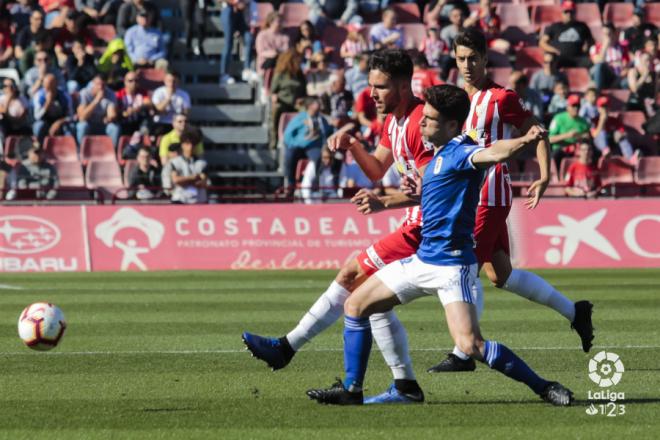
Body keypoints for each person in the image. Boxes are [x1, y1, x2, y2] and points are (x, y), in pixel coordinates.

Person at [305, 84, 573, 407]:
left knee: (471, 345)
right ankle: (353, 390)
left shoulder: (464, 152)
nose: (421, 124)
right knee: (355, 306)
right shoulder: (438, 156)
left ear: (450, 126)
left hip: (451, 267)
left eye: (430, 120)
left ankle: (545, 387)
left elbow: (495, 152)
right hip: (422, 260)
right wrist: (391, 198)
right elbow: (435, 194)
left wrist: (526, 141)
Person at [243, 50, 434, 402]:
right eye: (372, 85)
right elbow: (377, 169)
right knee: (371, 298)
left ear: (404, 86)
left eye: (381, 87)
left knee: (350, 275)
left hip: (427, 230)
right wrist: (352, 145)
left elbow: (437, 187)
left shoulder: (422, 121)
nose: (372, 93)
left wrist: (384, 203)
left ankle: (287, 348)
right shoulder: (394, 121)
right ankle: (405, 385)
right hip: (416, 225)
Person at [427, 29, 593, 374]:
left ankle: (462, 353)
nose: (468, 65)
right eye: (461, 58)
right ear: (454, 60)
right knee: (499, 274)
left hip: (489, 195)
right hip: (466, 196)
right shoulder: (455, 99)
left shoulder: (501, 98)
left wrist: (545, 174)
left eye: (474, 58)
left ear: (486, 59)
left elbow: (537, 130)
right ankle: (575, 312)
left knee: (464, 265)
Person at [282, 97, 333, 189]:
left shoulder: (322, 119)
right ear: (310, 106)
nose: (320, 106)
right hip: (297, 146)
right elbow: (288, 134)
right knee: (290, 155)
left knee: (319, 157)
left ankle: (317, 183)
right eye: (317, 104)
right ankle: (290, 183)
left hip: (313, 146)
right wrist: (293, 144)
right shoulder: (300, 118)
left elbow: (327, 133)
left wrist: (325, 146)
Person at [268, 49, 306, 149]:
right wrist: (274, 97)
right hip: (283, 102)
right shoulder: (280, 75)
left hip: (297, 104)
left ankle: (302, 138)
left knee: (307, 113)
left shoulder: (300, 75)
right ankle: (274, 139)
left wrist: (302, 99)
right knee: (276, 109)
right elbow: (273, 91)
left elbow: (304, 91)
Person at [539, 1, 593, 68]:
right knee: (550, 61)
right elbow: (542, 43)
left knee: (590, 63)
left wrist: (587, 45)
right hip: (560, 58)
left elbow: (591, 41)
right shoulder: (554, 26)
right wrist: (554, 50)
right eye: (566, 12)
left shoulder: (582, 26)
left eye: (571, 12)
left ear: (575, 12)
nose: (569, 14)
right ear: (562, 13)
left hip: (578, 58)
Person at [76, 74, 120, 148]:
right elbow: (82, 118)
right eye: (98, 84)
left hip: (102, 125)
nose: (100, 87)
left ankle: (112, 152)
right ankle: (81, 151)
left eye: (103, 85)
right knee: (82, 126)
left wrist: (109, 118)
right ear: (93, 83)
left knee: (114, 127)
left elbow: (111, 114)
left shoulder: (110, 94)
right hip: (89, 124)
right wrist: (96, 100)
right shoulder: (84, 93)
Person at [548, 94, 591, 170]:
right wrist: (567, 135)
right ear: (567, 107)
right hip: (561, 150)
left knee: (589, 152)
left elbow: (587, 138)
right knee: (556, 155)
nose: (576, 108)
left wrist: (583, 137)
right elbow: (549, 139)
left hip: (577, 150)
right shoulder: (558, 118)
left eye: (578, 106)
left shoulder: (584, 122)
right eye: (573, 106)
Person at [219, 0, 256, 84]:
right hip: (229, 10)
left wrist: (244, 3)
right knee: (229, 43)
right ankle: (224, 74)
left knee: (249, 39)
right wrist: (235, 2)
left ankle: (247, 69)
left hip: (242, 12)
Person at [32, 73, 74, 142]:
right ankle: (38, 147)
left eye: (52, 86)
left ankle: (69, 149)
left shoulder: (64, 95)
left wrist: (59, 122)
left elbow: (71, 116)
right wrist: (47, 104)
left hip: (61, 122)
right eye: (47, 87)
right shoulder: (39, 96)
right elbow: (37, 117)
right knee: (38, 126)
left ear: (56, 84)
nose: (49, 90)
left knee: (70, 128)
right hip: (45, 122)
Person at [589, 24, 629, 91]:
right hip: (605, 76)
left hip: (619, 76)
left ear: (614, 34)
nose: (607, 36)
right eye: (604, 34)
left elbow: (627, 64)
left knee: (627, 82)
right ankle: (598, 93)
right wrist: (605, 46)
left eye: (609, 34)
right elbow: (598, 62)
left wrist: (620, 77)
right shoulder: (595, 48)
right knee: (599, 66)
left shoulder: (622, 47)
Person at [169, 134, 208, 204]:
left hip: (198, 200)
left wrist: (184, 181)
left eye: (192, 143)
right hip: (180, 199)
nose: (191, 146)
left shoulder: (202, 163)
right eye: (187, 143)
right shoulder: (175, 162)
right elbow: (176, 180)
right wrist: (193, 177)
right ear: (182, 145)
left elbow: (203, 182)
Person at [151, 70, 191, 136]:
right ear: (165, 81)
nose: (171, 84)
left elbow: (186, 113)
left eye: (174, 81)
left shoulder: (184, 95)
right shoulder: (158, 92)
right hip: (161, 123)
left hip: (178, 124)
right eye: (169, 81)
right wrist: (168, 98)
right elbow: (158, 109)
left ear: (178, 82)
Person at [115, 71, 151, 138]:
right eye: (130, 81)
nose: (134, 83)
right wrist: (124, 112)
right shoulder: (119, 94)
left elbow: (148, 103)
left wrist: (136, 109)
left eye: (136, 81)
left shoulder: (142, 92)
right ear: (125, 82)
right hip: (125, 122)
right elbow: (116, 110)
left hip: (139, 121)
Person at [254, 11, 289, 77]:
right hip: (266, 63)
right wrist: (273, 53)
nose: (280, 24)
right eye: (278, 21)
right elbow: (260, 52)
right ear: (271, 22)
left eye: (281, 21)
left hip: (280, 62)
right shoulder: (262, 35)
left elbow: (286, 51)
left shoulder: (284, 36)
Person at [627, 52, 658, 118]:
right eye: (646, 60)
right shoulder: (633, 72)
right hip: (636, 104)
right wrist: (644, 75)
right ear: (640, 61)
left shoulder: (654, 75)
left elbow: (655, 93)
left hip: (650, 104)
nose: (648, 63)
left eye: (650, 60)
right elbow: (634, 89)